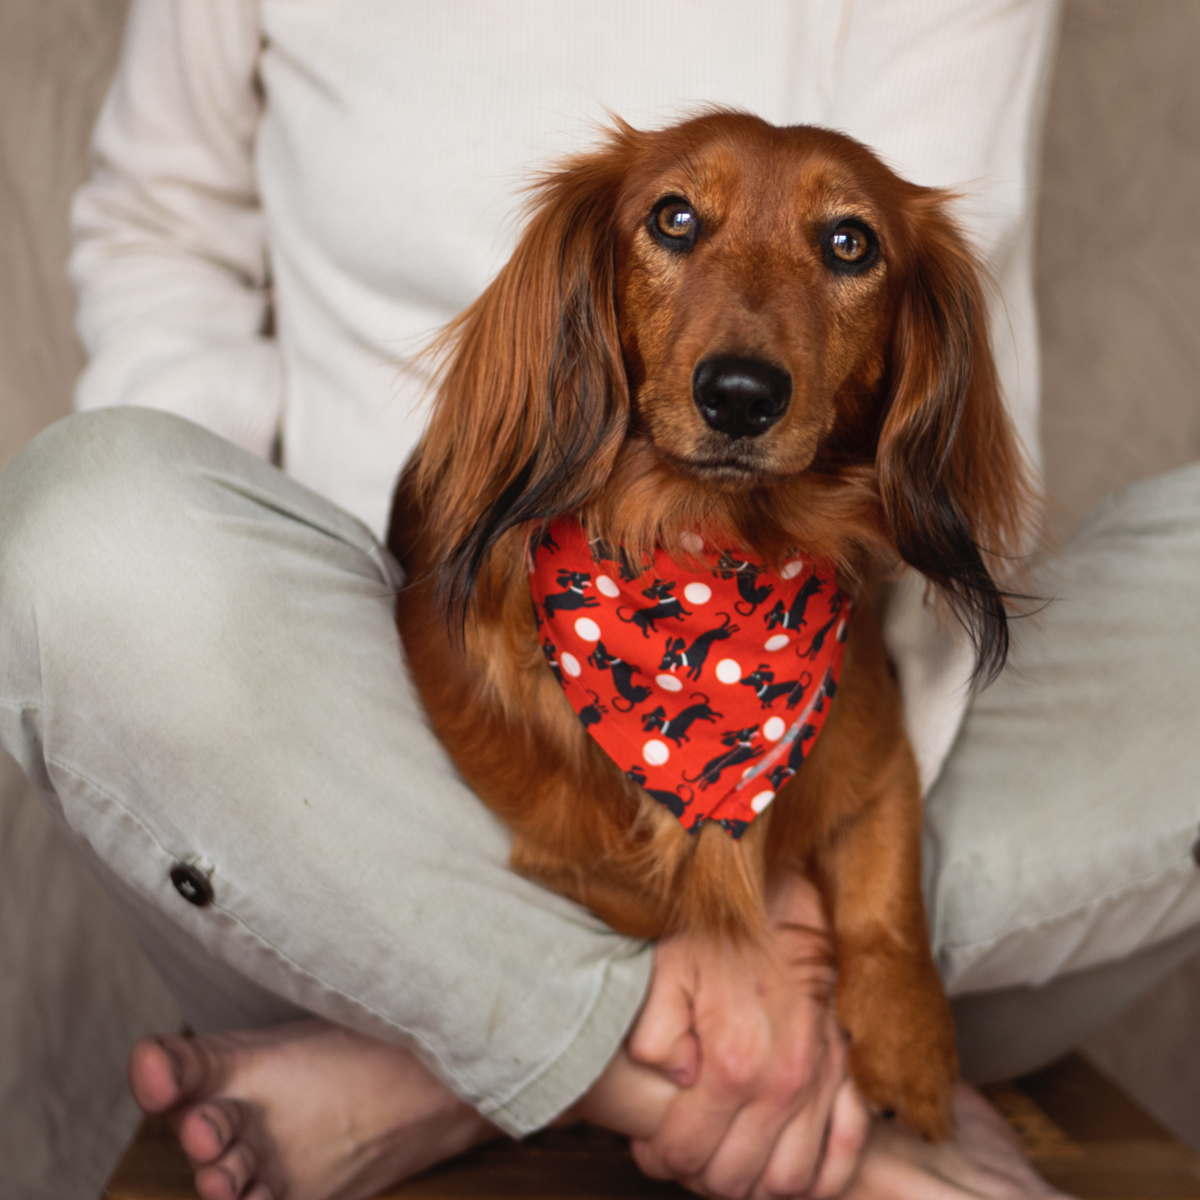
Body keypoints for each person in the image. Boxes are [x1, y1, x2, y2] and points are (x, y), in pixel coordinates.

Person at [7, 1, 1200, 1197]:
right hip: (386, 729)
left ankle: (455, 1066)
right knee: (87, 526)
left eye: (842, 253)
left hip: (835, 652)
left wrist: (794, 926)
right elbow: (160, 231)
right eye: (678, 227)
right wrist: (248, 629)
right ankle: (755, 1104)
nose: (746, 362)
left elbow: (942, 513)